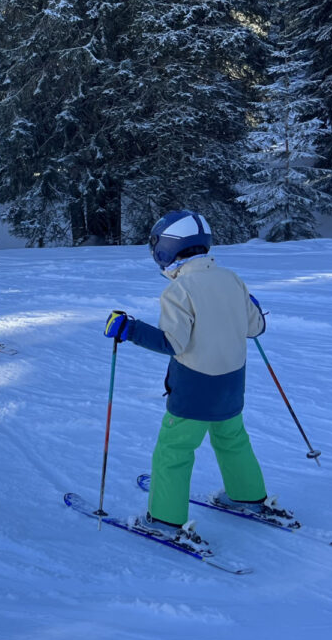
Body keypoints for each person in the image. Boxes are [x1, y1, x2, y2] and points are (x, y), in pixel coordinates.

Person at [104, 209, 291, 548]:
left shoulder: (179, 290)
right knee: (232, 439)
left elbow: (171, 342)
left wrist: (129, 329)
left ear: (168, 249)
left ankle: (164, 520)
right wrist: (250, 306)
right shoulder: (232, 279)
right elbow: (256, 328)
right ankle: (248, 496)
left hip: (194, 386)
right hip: (232, 384)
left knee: (173, 451)